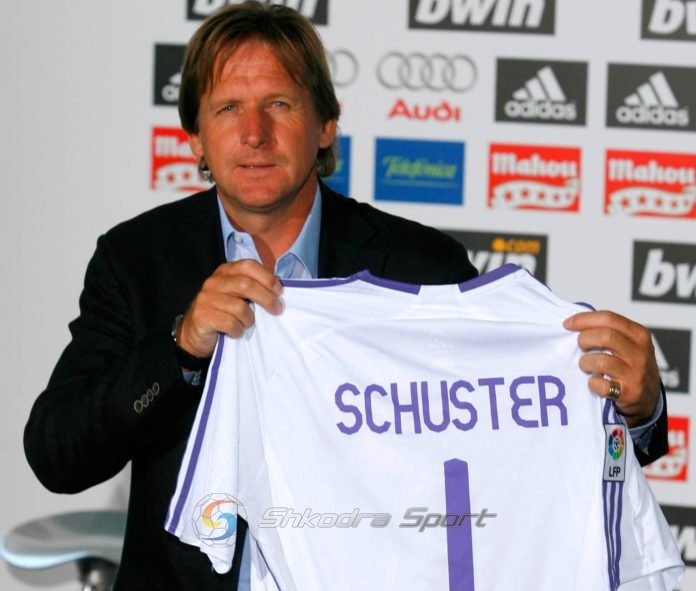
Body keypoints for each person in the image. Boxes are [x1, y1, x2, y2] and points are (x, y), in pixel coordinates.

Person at [24, 2, 668, 590]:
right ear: (195, 137)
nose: (254, 133)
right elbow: (57, 454)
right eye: (227, 109)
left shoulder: (424, 266)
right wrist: (180, 348)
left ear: (326, 124)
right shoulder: (136, 260)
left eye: (279, 104)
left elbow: (510, 440)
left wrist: (635, 412)